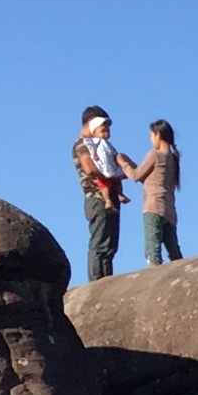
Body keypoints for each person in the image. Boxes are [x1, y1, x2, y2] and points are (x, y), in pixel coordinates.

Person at [72, 105, 136, 281]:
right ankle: (96, 282)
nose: (107, 133)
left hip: (111, 197)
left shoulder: (102, 145)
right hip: (97, 197)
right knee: (100, 242)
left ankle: (105, 280)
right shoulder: (83, 145)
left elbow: (117, 165)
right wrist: (108, 175)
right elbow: (89, 168)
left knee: (110, 244)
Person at [136, 119, 184, 264]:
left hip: (153, 208)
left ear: (157, 135)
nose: (151, 140)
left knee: (153, 253)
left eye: (151, 136)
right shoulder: (173, 158)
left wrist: (121, 161)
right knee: (174, 252)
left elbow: (136, 175)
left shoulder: (155, 155)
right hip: (169, 211)